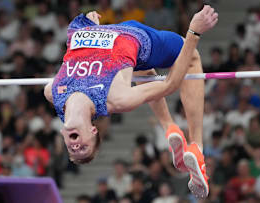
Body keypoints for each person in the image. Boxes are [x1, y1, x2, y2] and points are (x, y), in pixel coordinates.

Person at [44, 5, 218, 198]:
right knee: (191, 58)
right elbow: (170, 84)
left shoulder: (53, 92)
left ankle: (169, 127)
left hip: (96, 34)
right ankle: (197, 147)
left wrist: (90, 26)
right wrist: (194, 32)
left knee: (139, 70)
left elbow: (74, 59)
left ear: (63, 134)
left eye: (73, 149)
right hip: (133, 38)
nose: (76, 147)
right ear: (93, 131)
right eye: (83, 148)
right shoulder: (117, 98)